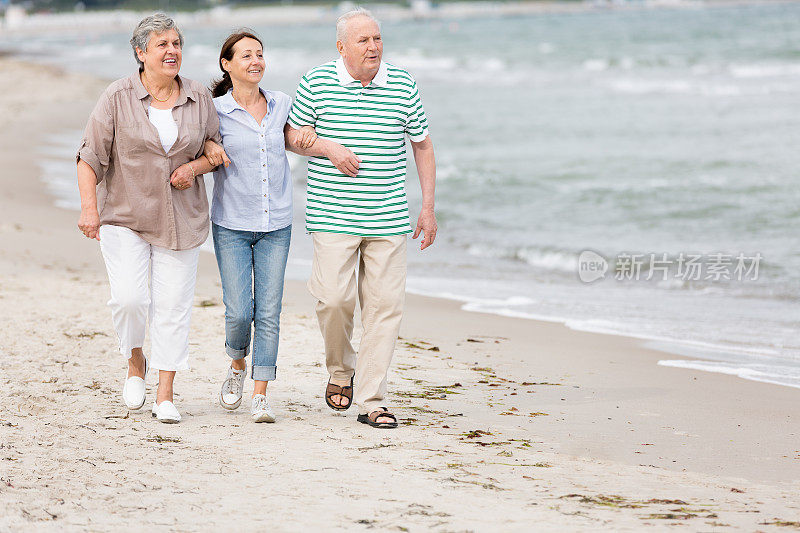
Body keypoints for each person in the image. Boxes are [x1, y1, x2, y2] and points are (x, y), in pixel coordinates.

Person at [287, 8, 438, 428]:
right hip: (332, 214)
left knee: (385, 308)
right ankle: (340, 370)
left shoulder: (403, 84)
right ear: (341, 47)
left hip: (389, 217)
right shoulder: (316, 82)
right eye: (363, 41)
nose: (373, 47)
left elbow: (422, 145)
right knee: (333, 299)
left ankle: (372, 399)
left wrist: (427, 208)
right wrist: (329, 148)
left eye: (377, 39)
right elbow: (292, 137)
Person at [76, 13, 221, 424]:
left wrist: (194, 169)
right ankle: (135, 359)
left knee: (173, 306)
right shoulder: (117, 96)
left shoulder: (197, 95)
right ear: (141, 53)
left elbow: (214, 146)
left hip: (182, 218)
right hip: (125, 214)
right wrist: (90, 209)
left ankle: (165, 393)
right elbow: (89, 157)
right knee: (130, 300)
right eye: (163, 45)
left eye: (176, 43)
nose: (172, 51)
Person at [201, 30, 323, 423]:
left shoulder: (282, 103)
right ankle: (237, 364)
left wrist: (309, 134)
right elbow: (196, 139)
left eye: (260, 54)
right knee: (239, 312)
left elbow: (298, 135)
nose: (256, 61)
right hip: (232, 223)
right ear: (228, 64)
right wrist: (207, 147)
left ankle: (260, 393)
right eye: (246, 55)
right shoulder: (214, 110)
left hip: (277, 224)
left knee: (269, 312)